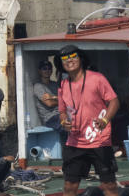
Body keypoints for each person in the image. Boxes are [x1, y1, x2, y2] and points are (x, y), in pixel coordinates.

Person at [56, 44, 120, 196]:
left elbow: (114, 102)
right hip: (75, 142)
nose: (69, 60)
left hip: (99, 140)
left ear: (81, 59)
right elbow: (62, 111)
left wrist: (104, 121)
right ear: (61, 64)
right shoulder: (63, 85)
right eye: (65, 58)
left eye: (73, 56)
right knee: (69, 186)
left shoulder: (97, 79)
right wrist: (64, 122)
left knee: (109, 185)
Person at [33, 59, 65, 139]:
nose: (47, 70)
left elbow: (66, 98)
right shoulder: (38, 86)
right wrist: (61, 101)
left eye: (49, 68)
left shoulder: (54, 84)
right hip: (50, 118)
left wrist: (54, 98)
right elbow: (49, 104)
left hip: (61, 113)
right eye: (44, 69)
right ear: (39, 71)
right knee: (67, 126)